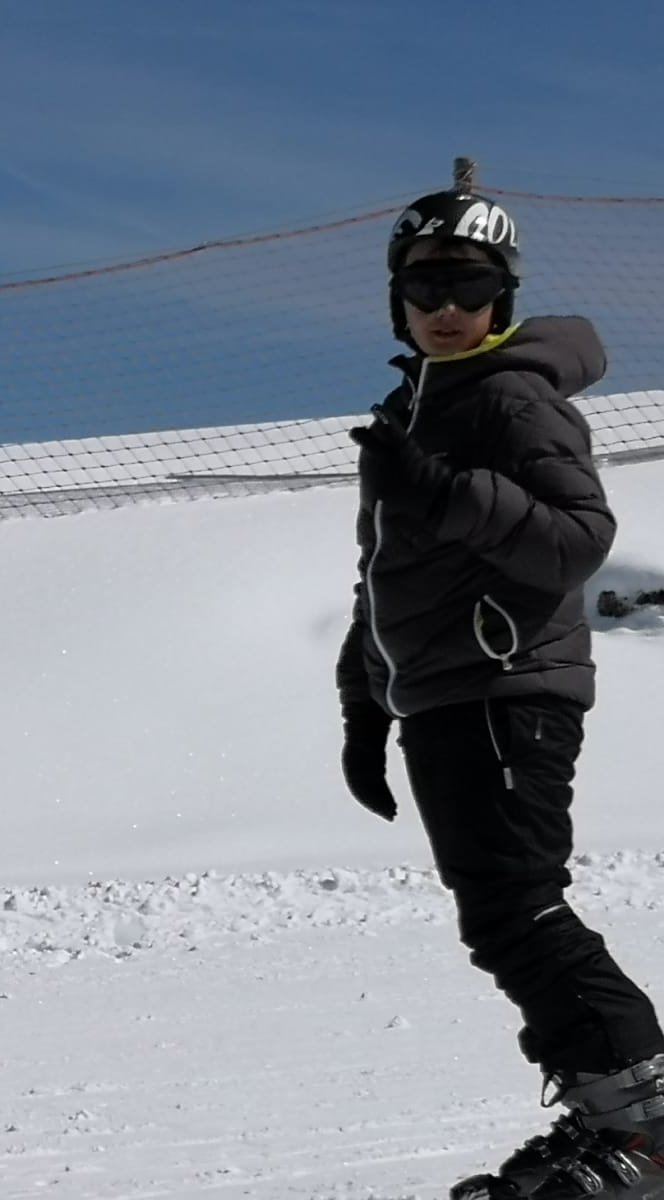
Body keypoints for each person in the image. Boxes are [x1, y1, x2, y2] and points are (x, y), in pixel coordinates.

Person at [336, 191, 664, 1200]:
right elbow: (388, 575)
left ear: (502, 297)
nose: (447, 308)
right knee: (501, 913)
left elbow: (576, 541)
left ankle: (647, 1132)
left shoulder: (511, 399)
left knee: (519, 908)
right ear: (397, 300)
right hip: (444, 693)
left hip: (508, 685)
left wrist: (441, 490)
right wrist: (363, 703)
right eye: (426, 287)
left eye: (469, 287)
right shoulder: (416, 406)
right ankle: (611, 1117)